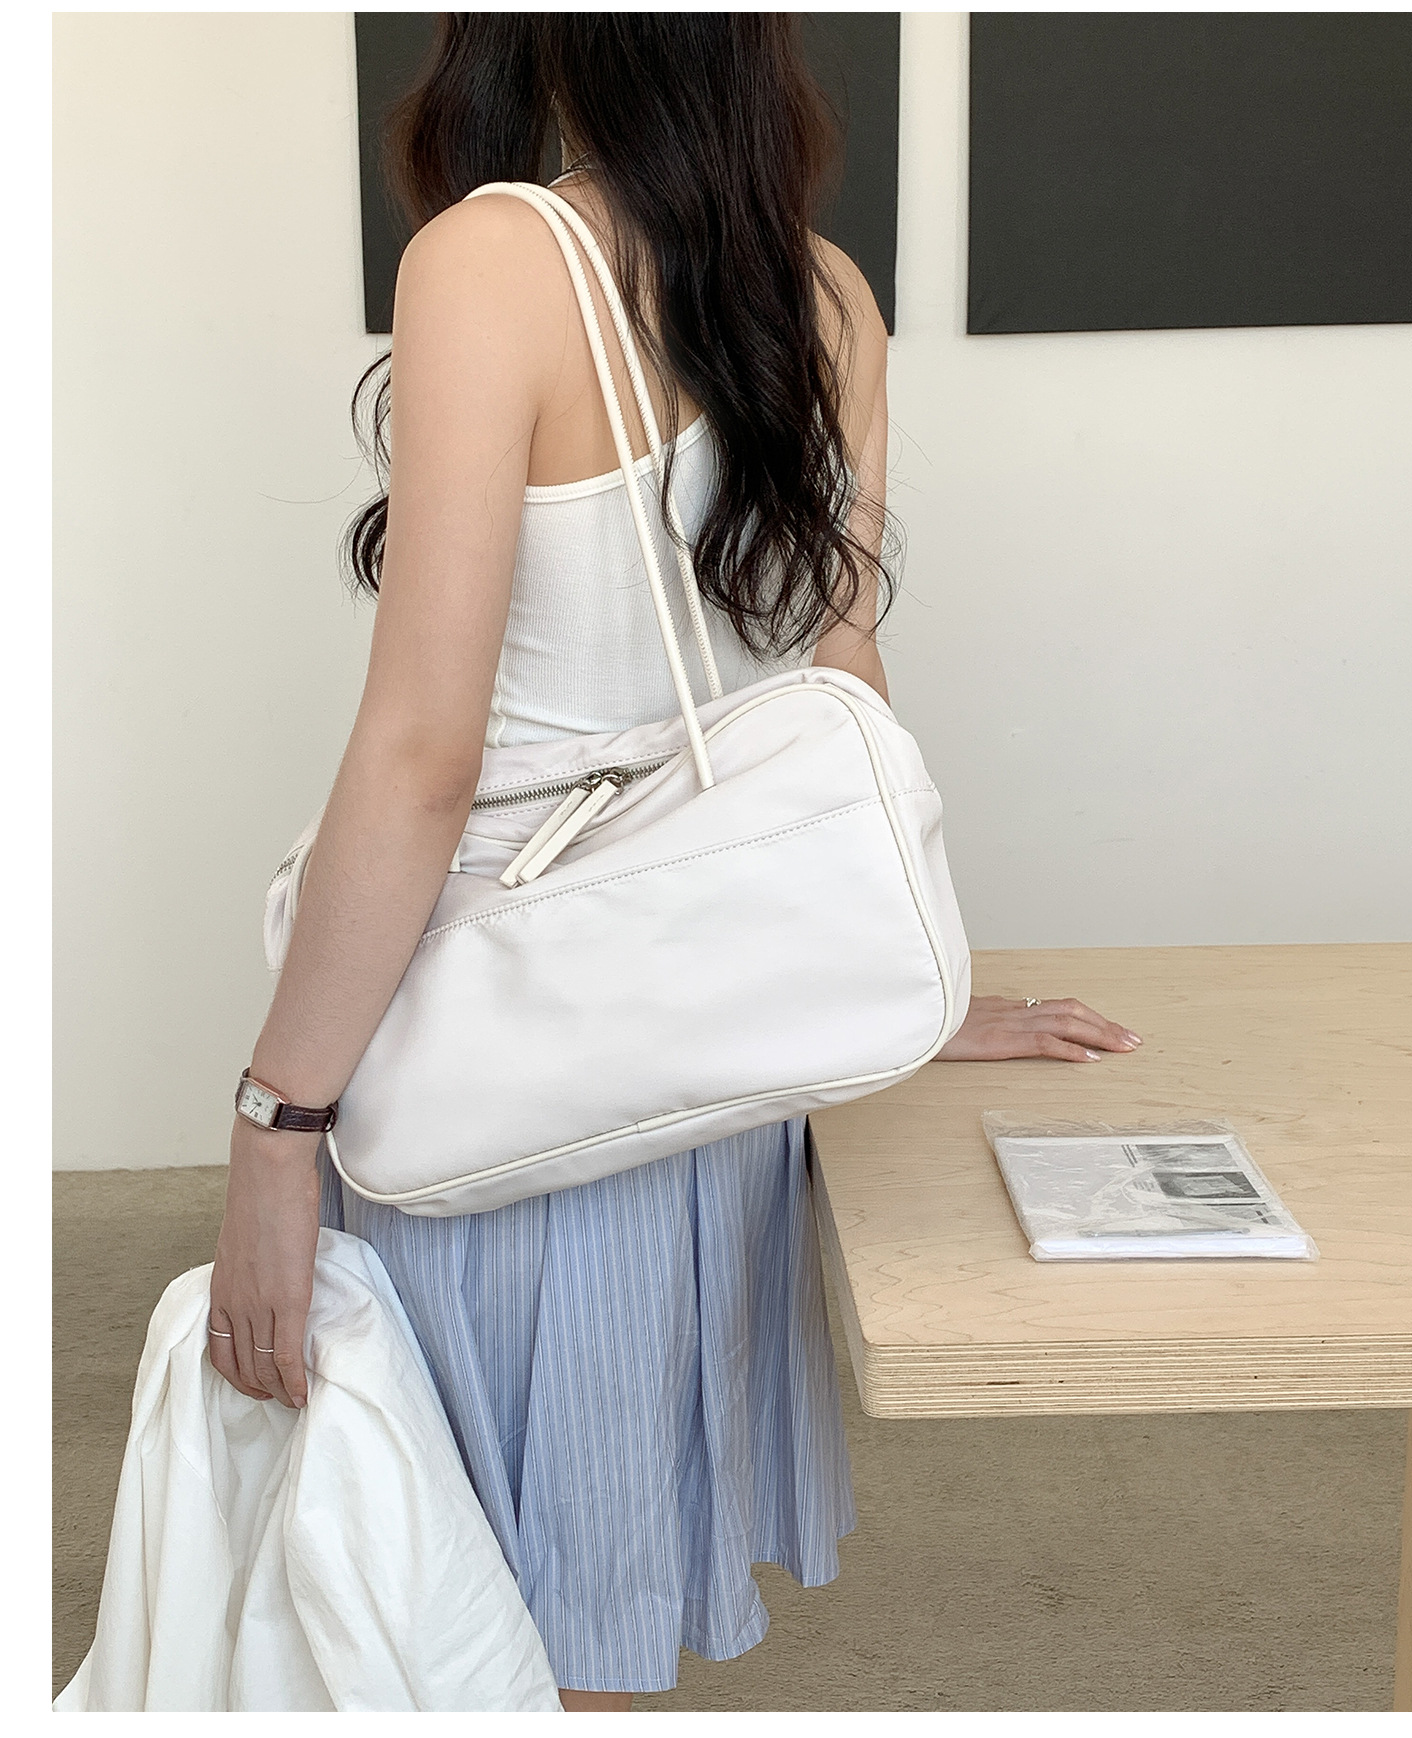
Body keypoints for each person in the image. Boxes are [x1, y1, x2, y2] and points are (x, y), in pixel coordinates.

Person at [207, 14, 1142, 1713]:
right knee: (593, 1620)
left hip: (504, 1061)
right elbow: (835, 697)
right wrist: (898, 974)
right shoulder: (828, 293)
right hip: (710, 1075)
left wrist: (280, 1122)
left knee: (448, 1621)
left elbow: (424, 762)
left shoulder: (493, 260)